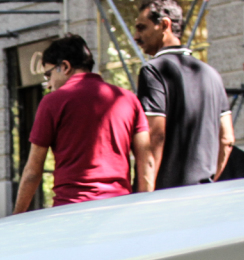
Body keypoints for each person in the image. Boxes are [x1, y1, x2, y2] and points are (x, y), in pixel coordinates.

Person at [13, 34, 151, 214]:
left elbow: (33, 171)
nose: (48, 84)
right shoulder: (128, 99)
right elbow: (146, 162)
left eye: (49, 75)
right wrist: (144, 207)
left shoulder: (52, 103)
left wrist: (17, 215)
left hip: (71, 210)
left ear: (64, 66)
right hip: (119, 210)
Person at [134, 0, 235, 189]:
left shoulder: (153, 71)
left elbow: (155, 135)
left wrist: (145, 194)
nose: (136, 36)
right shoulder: (212, 74)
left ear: (165, 25)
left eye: (142, 28)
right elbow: (227, 139)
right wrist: (210, 180)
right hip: (202, 192)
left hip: (166, 195)